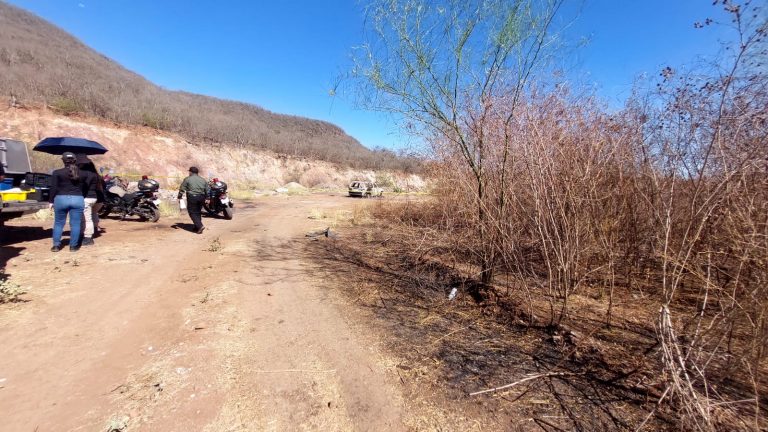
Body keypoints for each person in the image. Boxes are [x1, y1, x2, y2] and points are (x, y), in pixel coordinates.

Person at [49, 152, 97, 252]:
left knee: (58, 223)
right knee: (75, 223)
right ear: (75, 161)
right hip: (77, 199)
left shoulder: (57, 172)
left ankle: (56, 246)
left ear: (63, 160)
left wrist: (51, 201)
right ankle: (73, 246)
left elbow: (53, 188)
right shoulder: (83, 173)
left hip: (60, 199)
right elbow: (86, 187)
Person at [77, 158, 103, 245]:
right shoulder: (97, 175)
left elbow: (84, 187)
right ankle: (94, 229)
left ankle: (88, 237)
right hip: (97, 199)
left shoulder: (86, 175)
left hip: (87, 198)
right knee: (93, 214)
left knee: (86, 219)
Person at [177, 166, 207, 234]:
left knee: (192, 212)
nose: (189, 173)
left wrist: (179, 196)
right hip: (202, 197)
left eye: (189, 172)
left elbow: (182, 189)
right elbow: (207, 189)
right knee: (198, 212)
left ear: (191, 172)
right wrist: (207, 198)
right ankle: (197, 226)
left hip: (192, 197)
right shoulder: (202, 179)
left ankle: (200, 226)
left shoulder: (187, 179)